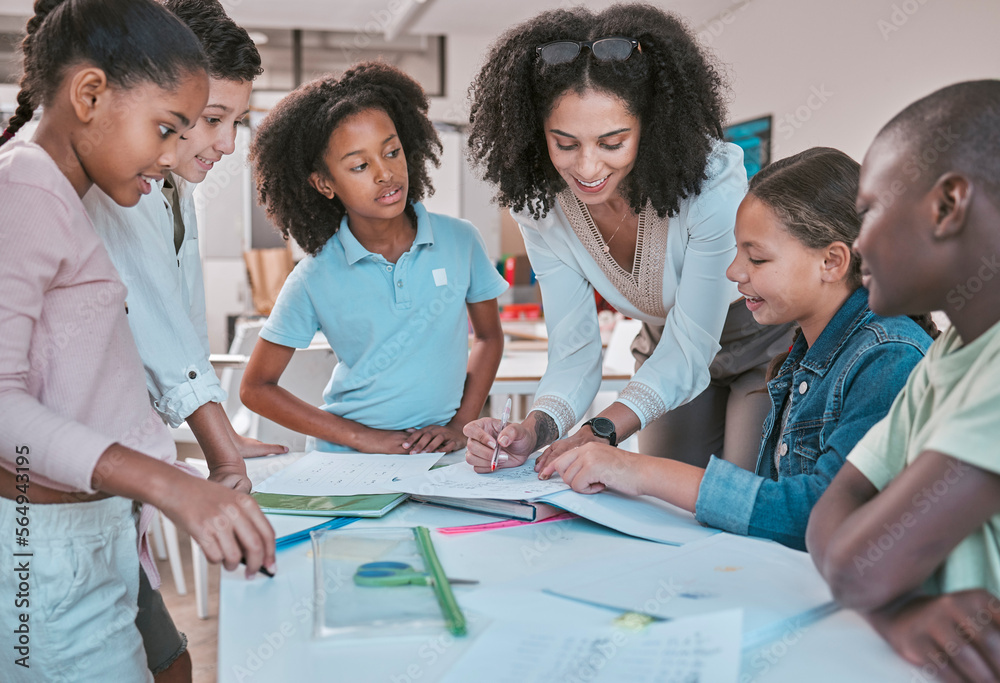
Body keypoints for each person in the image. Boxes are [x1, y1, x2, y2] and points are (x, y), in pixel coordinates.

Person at [0, 1, 275, 681]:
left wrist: (178, 476)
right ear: (90, 94)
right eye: (166, 128)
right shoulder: (25, 188)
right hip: (47, 545)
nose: (173, 153)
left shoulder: (68, 191)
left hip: (91, 528)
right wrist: (174, 486)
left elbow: (87, 385)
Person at [537, 147, 934, 550]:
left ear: (832, 261)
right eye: (737, 250)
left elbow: (820, 514)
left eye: (757, 258)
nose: (733, 271)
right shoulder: (808, 351)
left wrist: (640, 471)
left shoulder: (888, 358)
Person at [463, 3, 795, 475]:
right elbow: (574, 351)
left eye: (612, 142)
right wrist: (535, 429)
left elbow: (692, 347)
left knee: (737, 492)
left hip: (761, 340)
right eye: (565, 143)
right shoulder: (541, 209)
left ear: (650, 128)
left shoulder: (711, 181)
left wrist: (599, 429)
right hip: (664, 345)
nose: (588, 168)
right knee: (663, 501)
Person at [81, 1, 280, 679]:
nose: (227, 144)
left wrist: (217, 432)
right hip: (55, 486)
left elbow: (182, 333)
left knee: (165, 661)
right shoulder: (112, 181)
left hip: (111, 479)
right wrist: (221, 448)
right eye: (214, 119)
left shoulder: (171, 190)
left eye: (236, 122)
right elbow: (152, 321)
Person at [807, 80, 1000, 681]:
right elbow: (830, 512)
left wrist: (877, 587)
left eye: (868, 211)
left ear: (946, 207)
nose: (858, 241)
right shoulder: (946, 357)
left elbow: (862, 565)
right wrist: (904, 616)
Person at [241, 62, 507, 455]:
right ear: (325, 183)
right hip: (348, 459)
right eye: (360, 166)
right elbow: (255, 388)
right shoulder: (314, 276)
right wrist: (361, 438)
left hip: (439, 453)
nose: (385, 174)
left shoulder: (460, 241)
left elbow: (488, 336)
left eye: (392, 152)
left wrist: (460, 422)